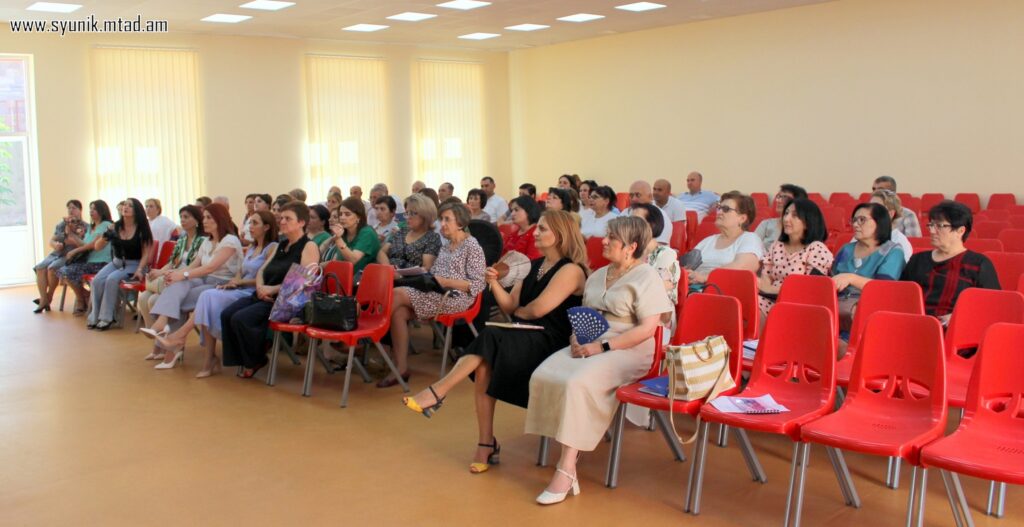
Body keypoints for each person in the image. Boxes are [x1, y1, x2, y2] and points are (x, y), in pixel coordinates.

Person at [402, 210, 588, 472]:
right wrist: (494, 283)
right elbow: (511, 306)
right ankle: (485, 443)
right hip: (524, 334)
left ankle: (438, 391)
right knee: (484, 365)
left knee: (489, 337)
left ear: (560, 235)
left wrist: (520, 314)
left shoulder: (571, 270)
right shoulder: (533, 266)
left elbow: (537, 310)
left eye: (542, 229)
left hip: (552, 342)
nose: (535, 233)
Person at [526, 215, 673, 505]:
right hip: (590, 342)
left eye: (611, 238)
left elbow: (646, 330)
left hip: (629, 348)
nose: (603, 241)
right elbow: (582, 317)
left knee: (577, 382)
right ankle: (568, 448)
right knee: (544, 372)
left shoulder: (647, 277)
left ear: (631, 246)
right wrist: (576, 339)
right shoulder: (597, 275)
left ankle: (567, 468)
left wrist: (603, 347)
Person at [155, 210, 279, 377]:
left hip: (251, 292)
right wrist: (234, 281)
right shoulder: (251, 247)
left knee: (207, 297)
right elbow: (240, 272)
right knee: (207, 300)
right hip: (237, 288)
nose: (250, 226)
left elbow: (263, 278)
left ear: (267, 227)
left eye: (254, 223)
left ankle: (181, 337)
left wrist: (239, 282)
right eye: (250, 222)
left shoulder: (272, 248)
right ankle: (205, 358)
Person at [383, 202, 486, 388]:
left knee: (396, 293)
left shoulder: (472, 246)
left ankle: (369, 334)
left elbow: (478, 284)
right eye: (441, 220)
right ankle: (401, 368)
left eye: (447, 220)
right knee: (398, 313)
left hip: (456, 298)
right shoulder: (446, 246)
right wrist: (423, 274)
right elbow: (435, 274)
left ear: (460, 223)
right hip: (436, 292)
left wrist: (446, 282)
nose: (442, 224)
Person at [221, 201, 319, 378]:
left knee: (241, 318)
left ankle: (256, 359)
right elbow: (262, 270)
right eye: (281, 218)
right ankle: (243, 358)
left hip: (286, 301)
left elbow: (303, 282)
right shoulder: (281, 245)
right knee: (227, 314)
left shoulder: (308, 246)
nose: (282, 222)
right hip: (265, 295)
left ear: (301, 223)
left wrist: (271, 290)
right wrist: (260, 287)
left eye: (288, 218)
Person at [143, 204, 243, 362]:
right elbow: (193, 265)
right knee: (176, 285)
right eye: (204, 217)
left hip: (222, 284)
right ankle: (163, 326)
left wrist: (182, 275)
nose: (205, 221)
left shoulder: (230, 240)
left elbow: (210, 267)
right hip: (204, 279)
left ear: (220, 219)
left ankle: (169, 347)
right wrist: (176, 275)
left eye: (209, 217)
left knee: (170, 299)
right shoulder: (208, 241)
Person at [901, 201, 1000, 324]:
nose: (932, 231)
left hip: (955, 328)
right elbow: (901, 297)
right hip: (913, 324)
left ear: (960, 231)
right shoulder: (917, 260)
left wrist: (959, 316)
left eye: (940, 226)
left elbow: (992, 306)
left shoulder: (978, 264)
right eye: (931, 225)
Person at [831, 203, 906, 331]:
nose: (855, 224)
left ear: (879, 222)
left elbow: (883, 288)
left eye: (862, 220)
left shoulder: (892, 251)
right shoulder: (846, 249)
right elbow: (831, 279)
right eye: (854, 220)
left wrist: (851, 278)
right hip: (837, 305)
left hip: (871, 309)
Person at [756, 198, 833, 316]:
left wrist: (771, 289)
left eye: (795, 215)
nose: (786, 219)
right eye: (786, 213)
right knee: (746, 301)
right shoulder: (777, 245)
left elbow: (811, 290)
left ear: (808, 222)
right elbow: (766, 276)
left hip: (798, 306)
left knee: (754, 305)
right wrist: (766, 288)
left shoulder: (816, 248)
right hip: (771, 299)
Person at [87, 198, 154, 330]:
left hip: (135, 264)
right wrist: (106, 236)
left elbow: (146, 254)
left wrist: (140, 269)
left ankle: (107, 318)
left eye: (130, 206)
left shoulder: (142, 229)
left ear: (136, 211)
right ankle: (94, 317)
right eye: (124, 205)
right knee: (97, 280)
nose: (125, 207)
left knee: (112, 279)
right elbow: (97, 247)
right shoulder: (115, 226)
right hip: (117, 262)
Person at [138, 205, 206, 329]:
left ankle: (166, 334)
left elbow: (195, 266)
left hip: (191, 277)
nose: (182, 220)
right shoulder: (182, 239)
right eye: (181, 217)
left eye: (186, 217)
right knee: (143, 298)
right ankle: (153, 333)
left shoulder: (203, 240)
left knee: (153, 300)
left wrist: (168, 273)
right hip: (174, 274)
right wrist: (159, 272)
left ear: (197, 220)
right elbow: (172, 262)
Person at [688, 191, 763, 287]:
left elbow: (743, 268)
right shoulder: (707, 241)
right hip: (694, 288)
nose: (719, 212)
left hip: (727, 290)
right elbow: (687, 265)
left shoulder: (750, 238)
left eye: (726, 209)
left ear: (742, 218)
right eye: (719, 208)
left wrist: (706, 277)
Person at [631, 203, 681, 337]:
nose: (629, 225)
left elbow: (660, 294)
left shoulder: (666, 254)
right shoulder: (629, 252)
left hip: (658, 319)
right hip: (630, 311)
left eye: (635, 221)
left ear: (651, 225)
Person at [58, 200, 113, 315]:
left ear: (101, 211)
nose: (91, 211)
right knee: (62, 271)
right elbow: (84, 244)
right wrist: (71, 234)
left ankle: (81, 299)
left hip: (101, 263)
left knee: (66, 272)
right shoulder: (91, 227)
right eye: (90, 209)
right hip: (90, 262)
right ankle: (84, 296)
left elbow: (93, 244)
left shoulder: (106, 225)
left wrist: (74, 251)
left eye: (94, 209)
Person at [33, 199, 84, 313]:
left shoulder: (84, 226)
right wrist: (55, 244)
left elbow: (84, 245)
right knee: (40, 268)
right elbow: (52, 240)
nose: (71, 210)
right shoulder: (62, 224)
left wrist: (72, 239)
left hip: (71, 255)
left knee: (52, 268)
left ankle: (48, 298)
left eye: (74, 208)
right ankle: (44, 298)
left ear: (80, 210)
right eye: (69, 208)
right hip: (57, 253)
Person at [377, 194, 442, 272]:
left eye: (413, 213)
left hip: (413, 278)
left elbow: (426, 268)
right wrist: (389, 270)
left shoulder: (432, 237)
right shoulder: (401, 231)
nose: (408, 217)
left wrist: (400, 274)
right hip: (390, 274)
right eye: (407, 213)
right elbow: (381, 252)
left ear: (425, 215)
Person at [321, 197, 380, 276]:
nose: (342, 217)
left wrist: (338, 239)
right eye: (340, 214)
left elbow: (353, 260)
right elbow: (336, 262)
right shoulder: (344, 232)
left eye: (347, 214)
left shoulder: (367, 233)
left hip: (364, 280)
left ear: (358, 217)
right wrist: (317, 267)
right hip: (343, 278)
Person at [753, 184, 808, 249]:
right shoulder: (766, 224)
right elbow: (751, 245)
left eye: (785, 198)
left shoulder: (804, 227)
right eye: (779, 196)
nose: (778, 201)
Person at [863, 190, 913, 262]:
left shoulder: (900, 242)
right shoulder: (861, 234)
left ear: (890, 214)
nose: (870, 212)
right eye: (869, 208)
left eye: (876, 209)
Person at [628, 180, 673, 245]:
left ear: (650, 197)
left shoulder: (659, 216)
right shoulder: (626, 211)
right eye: (631, 195)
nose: (633, 199)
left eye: (638, 195)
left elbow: (660, 246)